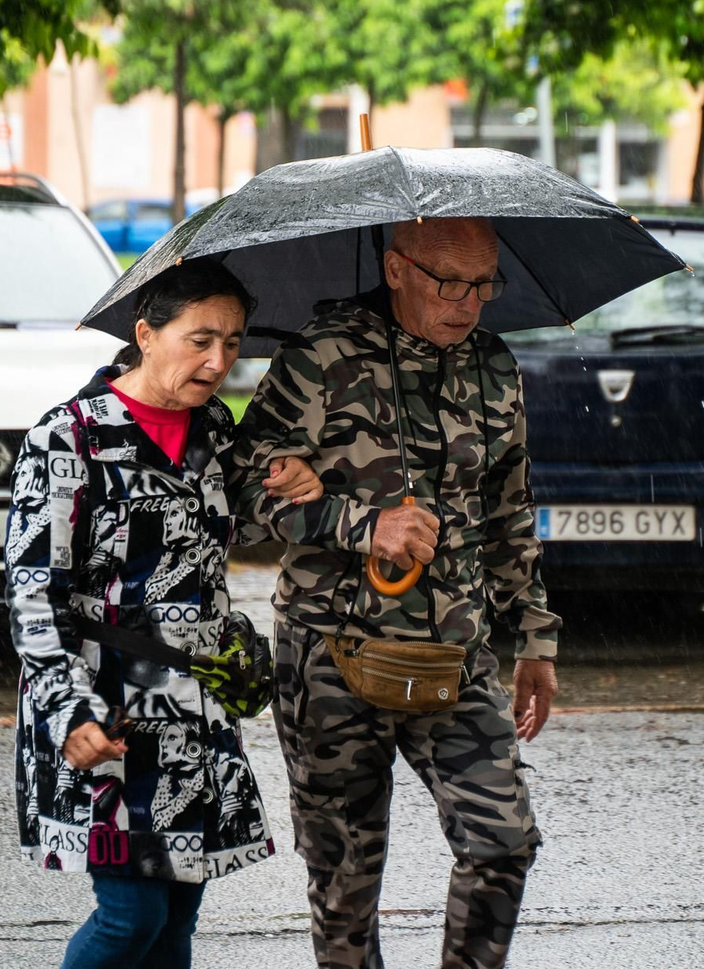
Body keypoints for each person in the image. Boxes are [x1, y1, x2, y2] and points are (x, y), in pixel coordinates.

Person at [228, 216, 562, 969]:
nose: (468, 302)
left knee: (504, 844)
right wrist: (357, 523)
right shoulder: (322, 357)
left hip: (455, 654)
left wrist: (535, 638)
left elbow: (510, 514)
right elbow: (239, 497)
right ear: (397, 268)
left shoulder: (493, 366)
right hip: (330, 656)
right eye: (448, 282)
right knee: (344, 889)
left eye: (484, 284)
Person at [6, 261, 322, 969]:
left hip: (195, 713)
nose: (218, 362)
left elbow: (246, 506)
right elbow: (34, 593)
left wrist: (295, 482)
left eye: (235, 343)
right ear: (146, 334)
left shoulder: (212, 426)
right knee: (129, 916)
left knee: (176, 917)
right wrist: (69, 714)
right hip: (105, 710)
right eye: (200, 339)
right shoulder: (70, 439)